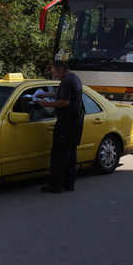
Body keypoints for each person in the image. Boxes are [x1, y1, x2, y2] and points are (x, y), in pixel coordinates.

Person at [38, 60, 84, 193]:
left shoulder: (66, 81)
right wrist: (46, 94)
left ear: (61, 69)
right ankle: (69, 183)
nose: (55, 76)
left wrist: (47, 104)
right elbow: (61, 95)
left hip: (66, 122)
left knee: (60, 154)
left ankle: (55, 185)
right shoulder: (75, 79)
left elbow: (64, 101)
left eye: (55, 72)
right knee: (71, 153)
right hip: (76, 121)